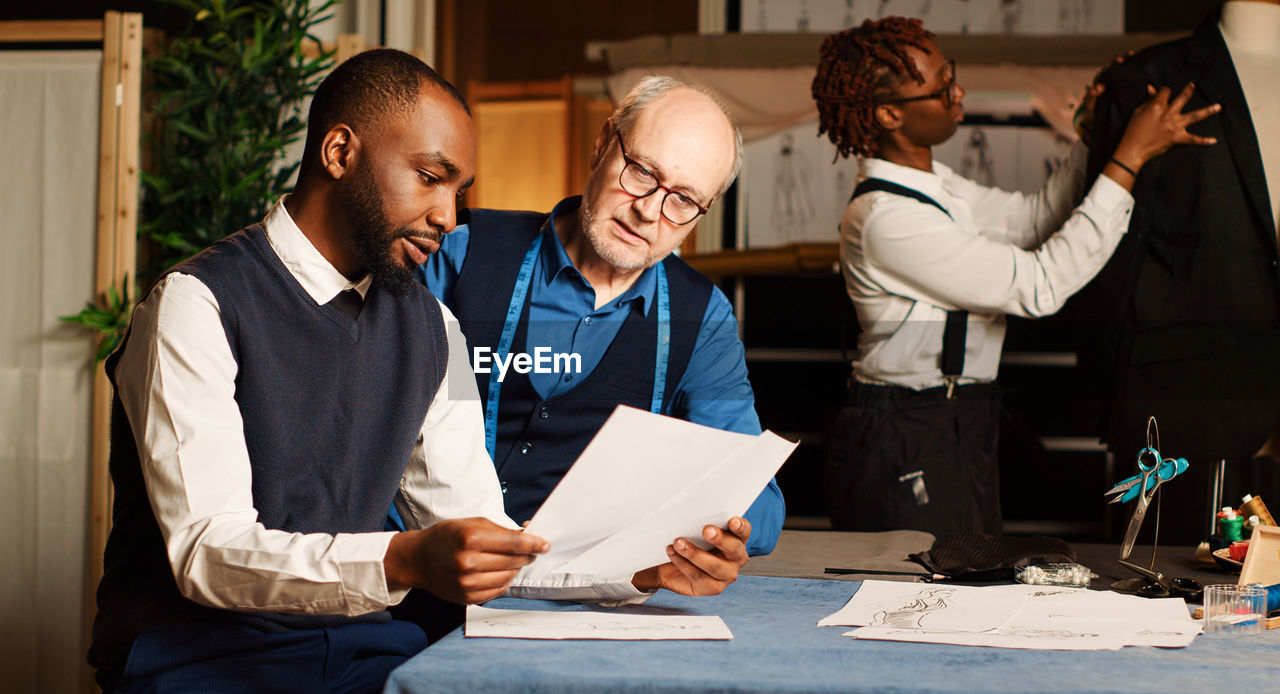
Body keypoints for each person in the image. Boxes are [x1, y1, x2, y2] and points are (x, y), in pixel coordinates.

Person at [89, 50, 753, 694]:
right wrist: (403, 560)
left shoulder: (435, 326)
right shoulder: (194, 303)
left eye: (457, 191)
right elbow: (207, 551)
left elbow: (480, 526)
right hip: (198, 673)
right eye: (430, 179)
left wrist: (641, 572)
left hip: (369, 666)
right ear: (341, 151)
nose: (447, 215)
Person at [811, 16, 1220, 535]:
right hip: (906, 427)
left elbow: (1031, 220)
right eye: (940, 87)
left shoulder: (935, 186)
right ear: (890, 113)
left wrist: (1095, 135)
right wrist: (1129, 157)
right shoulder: (885, 219)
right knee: (919, 597)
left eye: (950, 73)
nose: (958, 91)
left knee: (967, 585)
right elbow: (1038, 286)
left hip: (960, 418)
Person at [417, 75, 785, 556]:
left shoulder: (703, 317)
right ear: (602, 144)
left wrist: (711, 532)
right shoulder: (458, 257)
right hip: (426, 579)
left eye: (684, 201)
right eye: (643, 173)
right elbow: (371, 432)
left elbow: (761, 504)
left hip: (584, 599)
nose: (649, 212)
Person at [1074, 0, 1280, 545]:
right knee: (1179, 594)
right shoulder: (1147, 80)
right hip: (1193, 390)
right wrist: (1105, 397)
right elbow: (1112, 254)